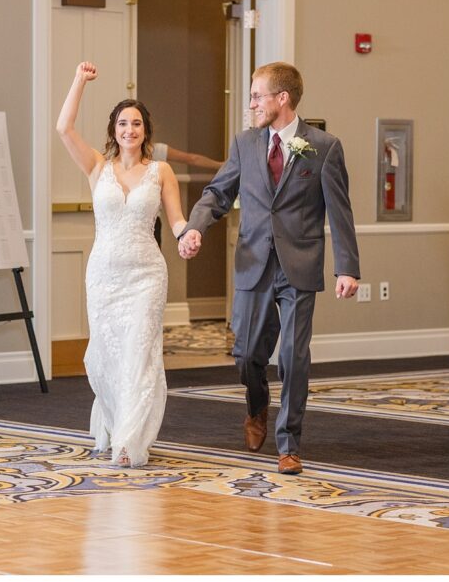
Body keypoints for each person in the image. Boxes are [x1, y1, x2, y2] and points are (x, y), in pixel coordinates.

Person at [177, 61, 360, 475]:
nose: (252, 103)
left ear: (283, 99)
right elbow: (218, 193)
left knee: (294, 356)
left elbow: (339, 211)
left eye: (257, 95)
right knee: (246, 354)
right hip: (253, 264)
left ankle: (288, 443)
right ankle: (256, 407)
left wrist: (347, 268)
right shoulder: (244, 144)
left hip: (300, 265)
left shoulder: (324, 147)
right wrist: (195, 229)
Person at [55, 61, 189, 468]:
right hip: (104, 276)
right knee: (106, 356)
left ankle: (131, 440)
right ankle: (114, 425)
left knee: (139, 354)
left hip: (147, 274)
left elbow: (177, 219)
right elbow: (63, 128)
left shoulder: (160, 171)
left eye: (136, 124)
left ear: (146, 130)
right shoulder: (98, 167)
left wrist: (188, 235)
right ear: (114, 130)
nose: (129, 130)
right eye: (122, 124)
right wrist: (79, 80)